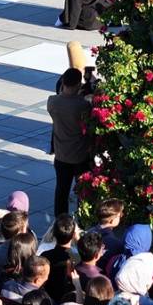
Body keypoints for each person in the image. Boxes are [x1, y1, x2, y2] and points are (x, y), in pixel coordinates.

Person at [48, 67, 93, 216]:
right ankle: (82, 216)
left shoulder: (52, 102)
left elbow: (62, 96)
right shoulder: (83, 106)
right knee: (83, 190)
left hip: (61, 154)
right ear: (77, 85)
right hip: (80, 155)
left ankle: (60, 220)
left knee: (61, 189)